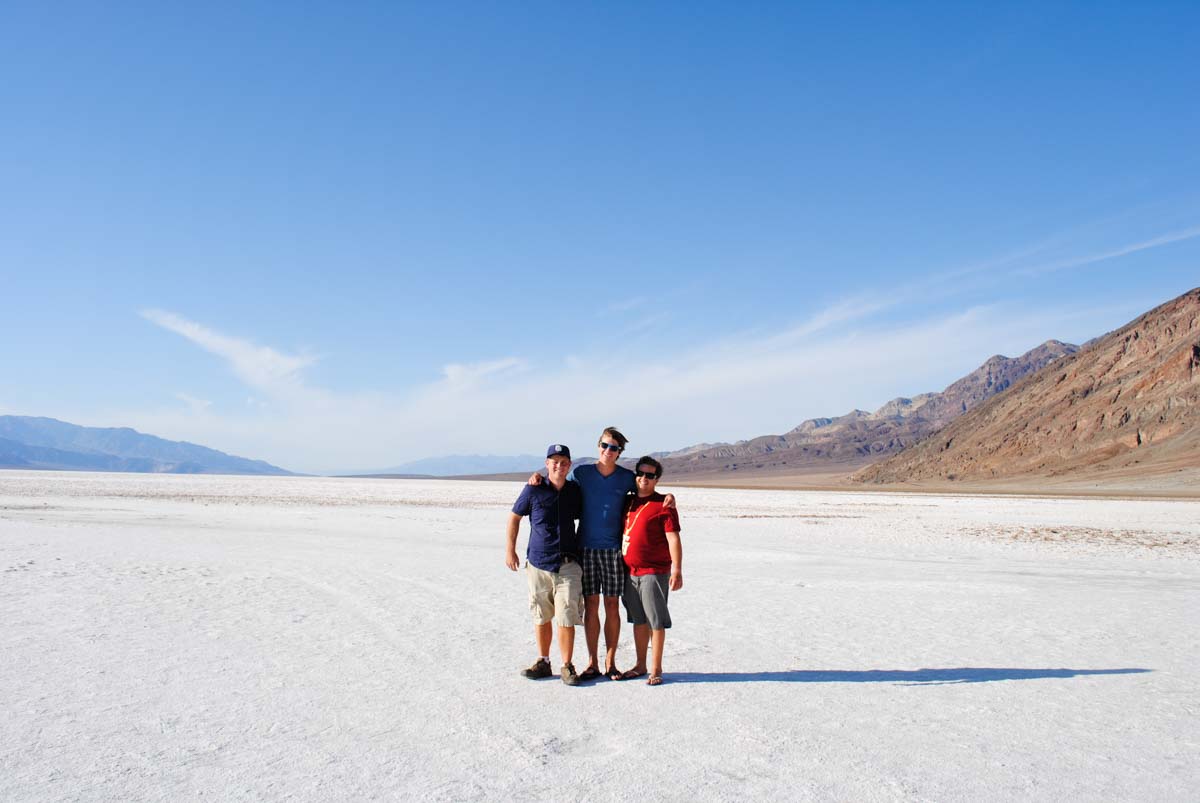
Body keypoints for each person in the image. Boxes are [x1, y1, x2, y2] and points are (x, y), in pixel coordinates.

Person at [528, 427, 673, 682]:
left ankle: (611, 662)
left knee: (612, 604)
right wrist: (537, 478)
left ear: (619, 453)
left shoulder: (627, 477)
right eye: (605, 446)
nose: (609, 451)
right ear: (598, 446)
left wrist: (667, 496)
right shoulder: (581, 473)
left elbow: (645, 489)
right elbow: (558, 481)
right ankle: (593, 662)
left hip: (614, 551)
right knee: (592, 605)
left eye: (614, 448)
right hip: (585, 549)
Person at [505, 444, 585, 686]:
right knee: (541, 615)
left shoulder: (574, 491)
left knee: (566, 616)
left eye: (563, 462)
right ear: (547, 463)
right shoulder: (533, 489)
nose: (558, 465)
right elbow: (514, 518)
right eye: (554, 461)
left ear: (569, 465)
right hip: (539, 564)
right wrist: (510, 549)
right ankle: (543, 661)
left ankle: (567, 665)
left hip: (568, 564)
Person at [618, 455, 682, 686]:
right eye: (641, 473)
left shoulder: (663, 504)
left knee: (655, 620)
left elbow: (673, 538)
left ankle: (656, 668)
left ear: (657, 479)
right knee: (638, 620)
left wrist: (677, 570)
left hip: (654, 572)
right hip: (630, 571)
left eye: (650, 475)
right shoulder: (628, 502)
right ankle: (640, 664)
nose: (644, 478)